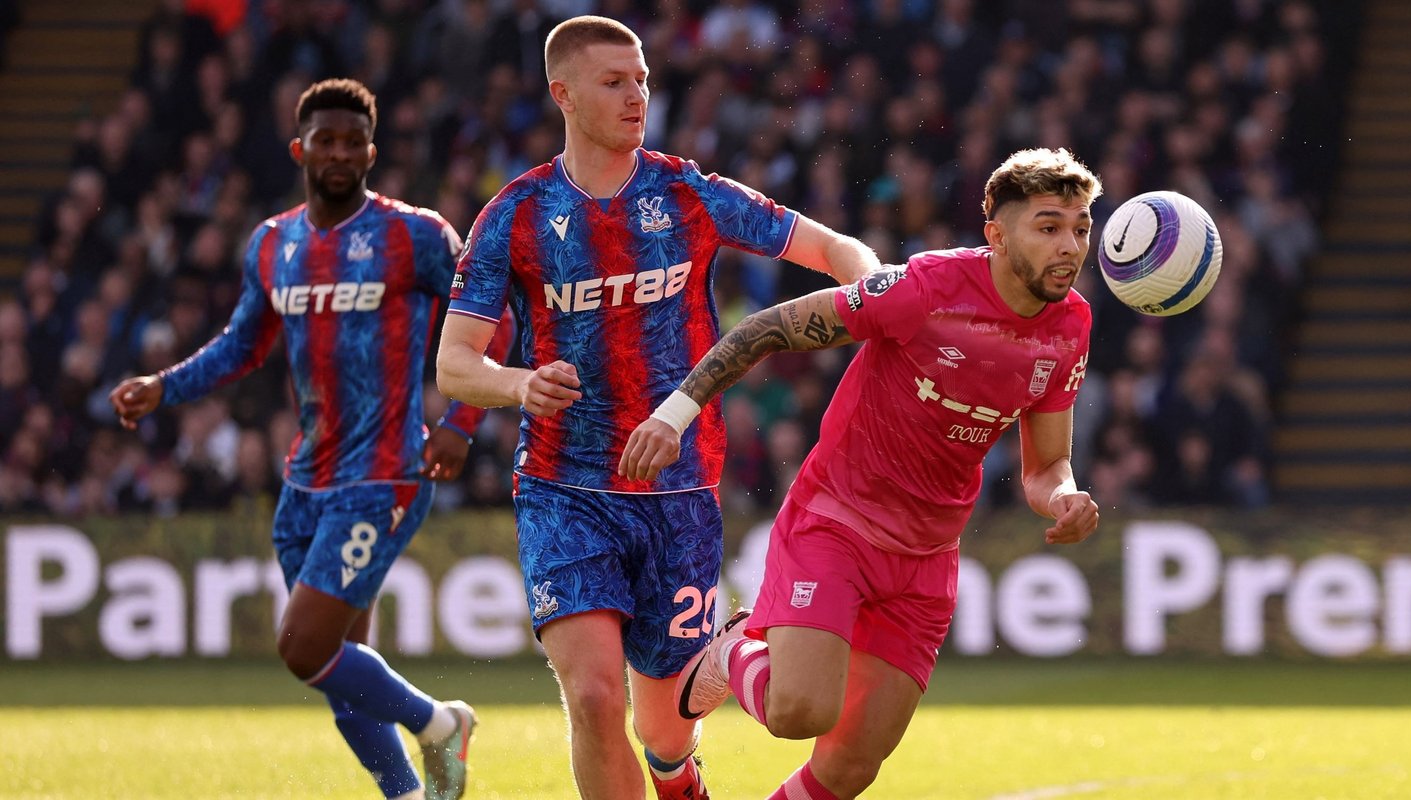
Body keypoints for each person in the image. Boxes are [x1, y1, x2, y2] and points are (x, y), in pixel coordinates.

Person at [433, 15, 878, 800]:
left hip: (679, 489)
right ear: (564, 94)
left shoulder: (686, 191)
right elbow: (455, 363)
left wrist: (876, 289)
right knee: (593, 696)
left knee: (664, 730)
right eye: (614, 82)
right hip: (564, 488)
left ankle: (677, 773)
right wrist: (518, 384)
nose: (637, 95)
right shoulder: (515, 214)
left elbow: (833, 248)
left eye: (641, 79)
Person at [620, 148, 1105, 799]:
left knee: (850, 766)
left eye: (1080, 227)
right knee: (800, 712)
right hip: (838, 524)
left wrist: (1065, 497)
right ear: (997, 234)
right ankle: (731, 646)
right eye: (1049, 227)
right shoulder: (922, 290)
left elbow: (1046, 465)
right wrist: (674, 415)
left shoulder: (1071, 324)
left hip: (927, 557)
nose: (1070, 245)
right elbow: (769, 328)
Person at [110, 79, 500, 800]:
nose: (340, 153)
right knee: (338, 664)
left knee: (302, 647)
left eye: (355, 142)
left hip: (385, 474)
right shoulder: (273, 243)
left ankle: (441, 723)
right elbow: (242, 345)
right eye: (327, 141)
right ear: (301, 150)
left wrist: (459, 422)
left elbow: (490, 318)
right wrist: (165, 385)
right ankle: (407, 795)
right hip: (304, 482)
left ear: (372, 153)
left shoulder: (416, 235)